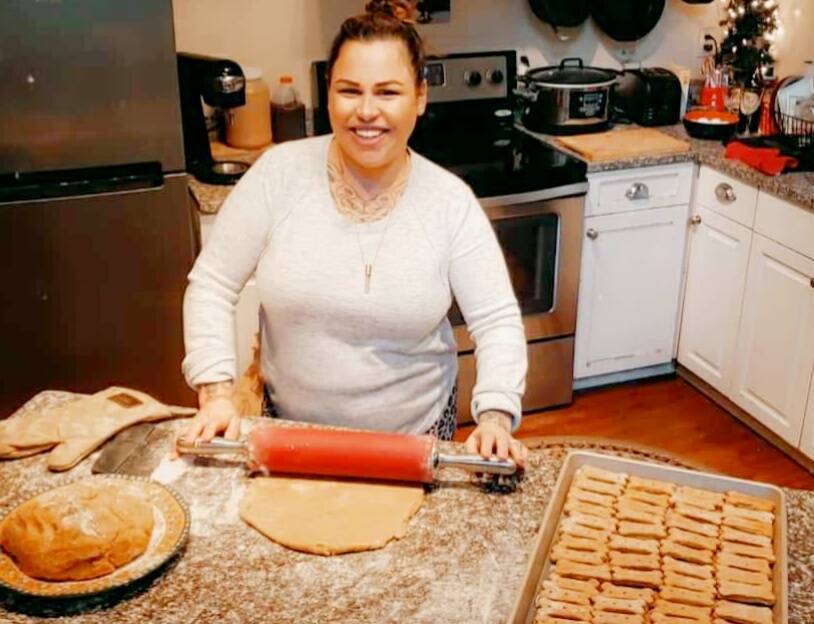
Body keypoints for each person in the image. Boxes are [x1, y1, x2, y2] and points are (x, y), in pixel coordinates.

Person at [180, 1, 529, 467]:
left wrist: (496, 417)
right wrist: (215, 394)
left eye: (388, 92)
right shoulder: (277, 175)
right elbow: (212, 284)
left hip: (415, 437)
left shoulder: (450, 202)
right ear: (329, 93)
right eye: (349, 90)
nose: (366, 111)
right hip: (288, 431)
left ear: (419, 97)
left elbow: (496, 320)